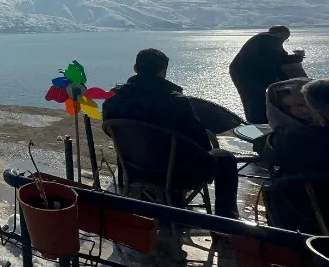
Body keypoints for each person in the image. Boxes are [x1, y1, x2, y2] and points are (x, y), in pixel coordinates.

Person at [102, 48, 240, 218]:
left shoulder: (114, 100)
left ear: (136, 68)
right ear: (163, 71)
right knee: (225, 159)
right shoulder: (176, 102)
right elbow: (201, 144)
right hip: (176, 173)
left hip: (134, 168)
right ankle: (226, 223)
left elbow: (112, 132)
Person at [260, 78, 329, 233]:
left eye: (303, 105)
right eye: (291, 107)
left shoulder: (286, 139)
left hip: (309, 220)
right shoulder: (296, 138)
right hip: (312, 213)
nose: (299, 111)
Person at [230, 26, 305, 123]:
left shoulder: (263, 39)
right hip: (249, 74)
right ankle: (260, 124)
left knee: (250, 99)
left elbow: (277, 57)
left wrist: (295, 58)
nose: (284, 40)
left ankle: (254, 123)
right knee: (256, 100)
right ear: (280, 33)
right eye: (286, 37)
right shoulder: (271, 39)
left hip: (241, 72)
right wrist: (296, 58)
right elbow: (278, 58)